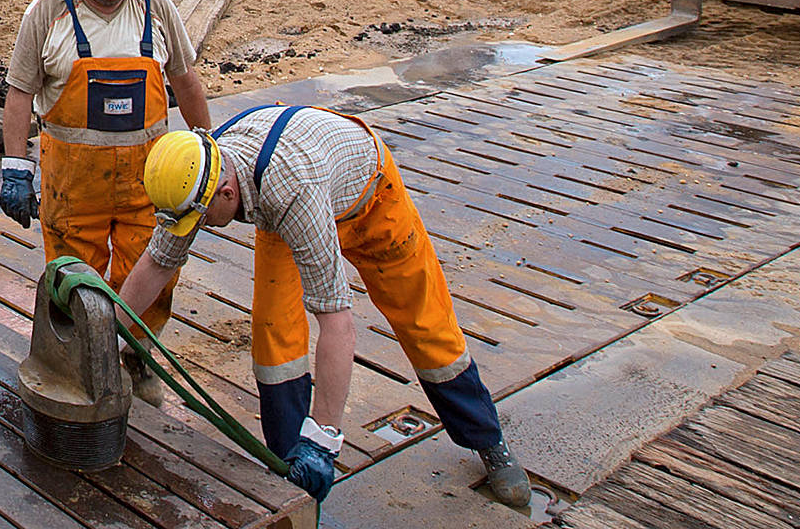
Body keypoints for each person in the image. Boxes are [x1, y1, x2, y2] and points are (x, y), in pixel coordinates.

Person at [124, 106, 528, 506]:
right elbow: (158, 262)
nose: (202, 227)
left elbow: (338, 324)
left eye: (202, 219)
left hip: (369, 201)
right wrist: (108, 330)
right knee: (273, 340)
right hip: (290, 205)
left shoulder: (290, 190)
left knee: (425, 323)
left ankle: (487, 438)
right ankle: (288, 473)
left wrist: (325, 438)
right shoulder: (198, 172)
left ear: (226, 193)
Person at [0, 0, 212, 401]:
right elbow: (18, 93)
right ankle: (81, 367)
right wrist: (14, 168)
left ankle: (138, 358)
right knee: (76, 283)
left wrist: (209, 151)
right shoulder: (47, 11)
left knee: (152, 274)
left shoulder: (155, 7)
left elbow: (186, 81)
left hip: (149, 185)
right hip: (74, 189)